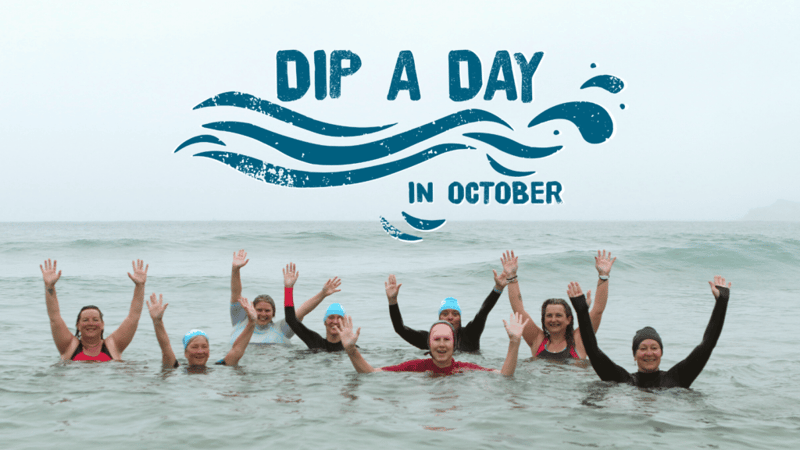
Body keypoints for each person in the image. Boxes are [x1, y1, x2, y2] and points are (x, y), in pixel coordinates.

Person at [568, 276, 731, 388]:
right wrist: (582, 312)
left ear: (661, 352)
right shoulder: (623, 380)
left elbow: (707, 345)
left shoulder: (677, 378)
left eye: (654, 347)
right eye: (643, 348)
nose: (649, 353)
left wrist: (721, 302)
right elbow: (593, 351)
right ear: (634, 355)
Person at [504, 250, 616, 361]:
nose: (553, 319)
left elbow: (598, 310)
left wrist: (603, 276)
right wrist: (511, 277)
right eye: (549, 315)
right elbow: (518, 310)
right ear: (543, 319)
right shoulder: (537, 340)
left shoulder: (579, 340)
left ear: (568, 319)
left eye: (558, 315)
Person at [337, 312, 529, 376]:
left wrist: (514, 343)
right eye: (437, 339)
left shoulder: (465, 369)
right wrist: (351, 350)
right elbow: (371, 373)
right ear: (429, 344)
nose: (442, 344)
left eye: (447, 339)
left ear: (454, 345)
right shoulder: (414, 367)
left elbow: (504, 376)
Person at [40, 258, 149, 361]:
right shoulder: (69, 346)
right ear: (78, 325)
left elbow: (133, 318)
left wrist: (140, 286)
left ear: (102, 324)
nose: (90, 323)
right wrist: (49, 286)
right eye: (85, 320)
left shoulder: (113, 345)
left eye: (95, 320)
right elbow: (54, 317)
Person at [384, 266, 509, 352]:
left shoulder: (470, 334)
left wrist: (497, 289)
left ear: (460, 318)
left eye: (455, 314)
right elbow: (400, 329)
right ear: (439, 319)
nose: (450, 317)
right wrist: (392, 301)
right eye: (445, 313)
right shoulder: (430, 339)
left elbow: (483, 311)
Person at [229, 249, 341, 345]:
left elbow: (302, 311)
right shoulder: (239, 321)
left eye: (267, 310)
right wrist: (235, 269)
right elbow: (236, 293)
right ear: (252, 309)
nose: (263, 314)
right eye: (259, 310)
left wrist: (322, 294)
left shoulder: (282, 329)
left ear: (273, 313)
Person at [147, 293, 256, 368]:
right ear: (185, 352)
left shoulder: (219, 368)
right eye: (195, 347)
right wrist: (157, 322)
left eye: (204, 347)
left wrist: (251, 323)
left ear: (209, 352)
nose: (200, 351)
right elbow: (166, 347)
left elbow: (237, 349)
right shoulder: (176, 368)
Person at [282, 263, 347, 352]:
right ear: (325, 322)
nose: (335, 322)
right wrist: (288, 288)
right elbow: (291, 319)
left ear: (345, 323)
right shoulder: (315, 342)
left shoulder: (351, 349)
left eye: (339, 318)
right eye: (331, 317)